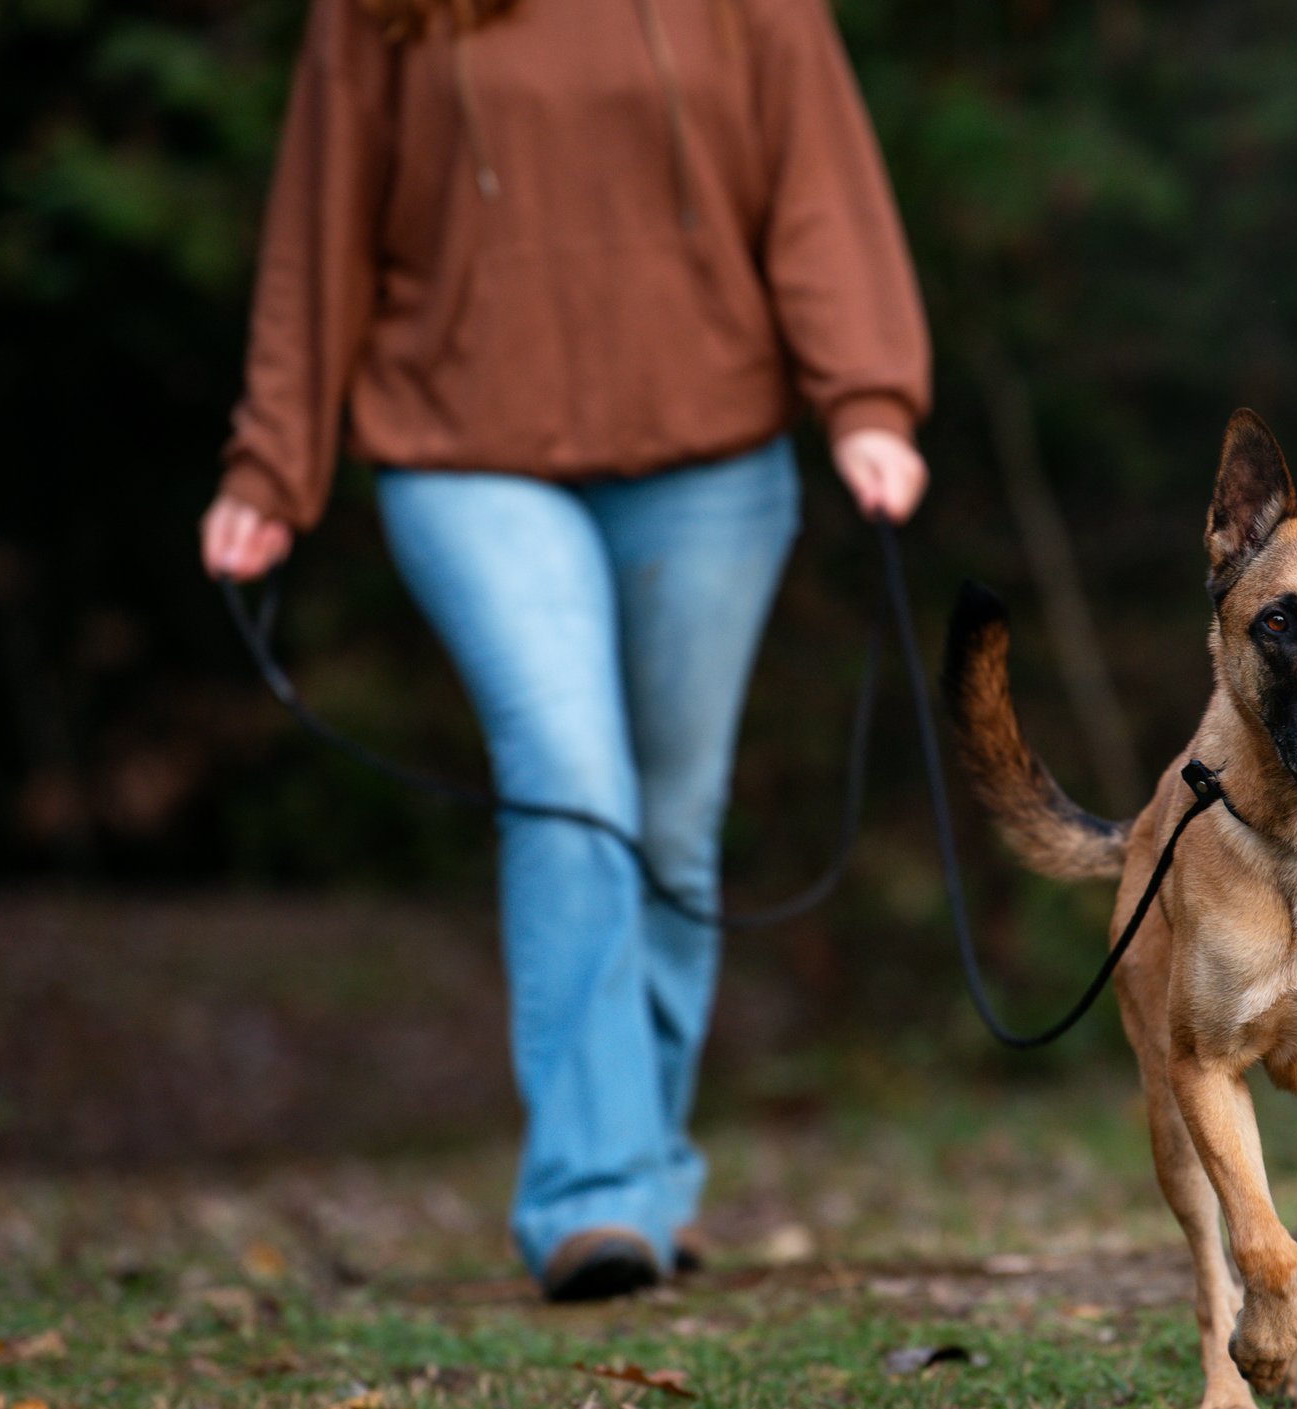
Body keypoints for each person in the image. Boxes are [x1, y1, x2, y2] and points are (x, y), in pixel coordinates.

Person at [200, 0, 929, 1301]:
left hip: (710, 454)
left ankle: (644, 1168)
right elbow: (319, 231)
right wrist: (275, 460)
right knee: (570, 788)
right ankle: (591, 1196)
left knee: (670, 822)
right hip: (465, 452)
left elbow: (818, 181)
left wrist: (865, 397)